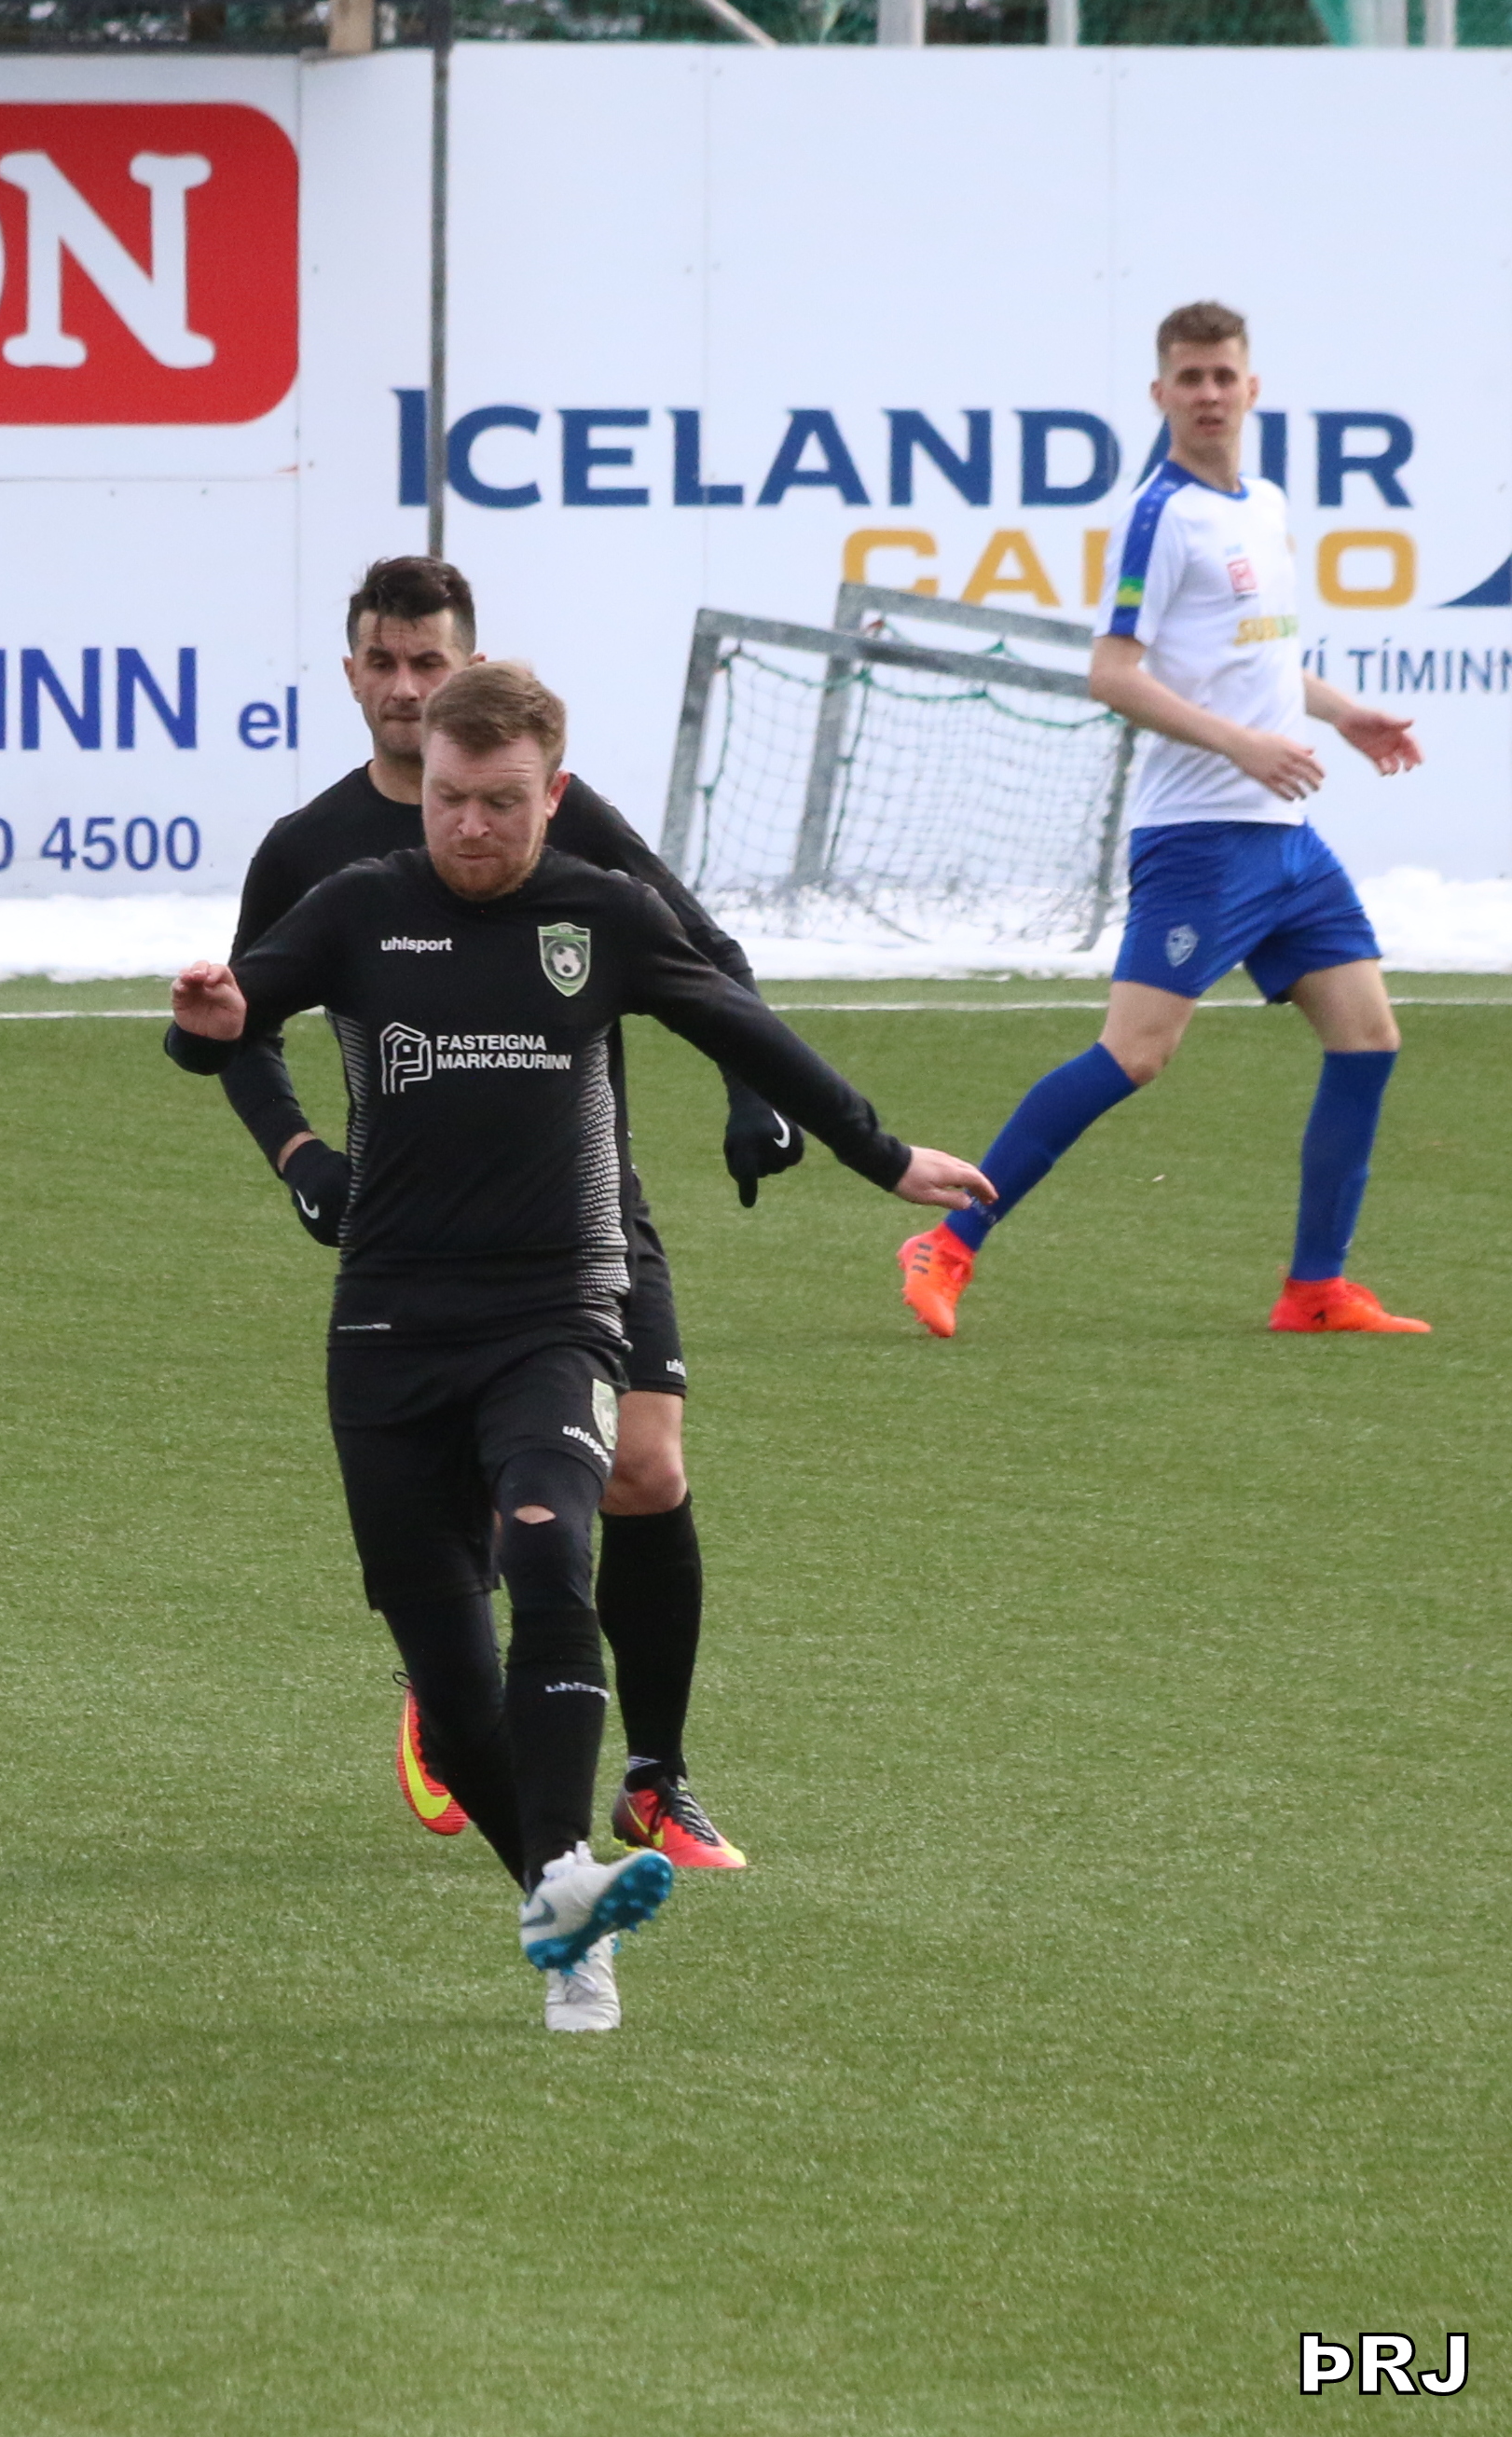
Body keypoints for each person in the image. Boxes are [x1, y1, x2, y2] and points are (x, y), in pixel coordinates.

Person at [168, 663, 992, 2032]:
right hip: (385, 1327)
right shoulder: (360, 905)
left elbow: (737, 1018)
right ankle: (553, 1895)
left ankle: (583, 1867)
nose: (469, 825)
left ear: (552, 794)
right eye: (449, 797)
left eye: (501, 801)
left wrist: (879, 1151)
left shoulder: (600, 916)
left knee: (553, 1547)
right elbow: (227, 1020)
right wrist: (204, 1024)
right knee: (451, 1689)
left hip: (553, 1311)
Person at [223, 556, 792, 1874]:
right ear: (350, 673)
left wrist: (749, 1090)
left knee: (647, 1469)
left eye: (428, 661)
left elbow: (707, 957)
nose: (405, 685)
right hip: (420, 1239)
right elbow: (238, 1023)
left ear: (469, 668)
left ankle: (654, 1778)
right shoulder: (310, 849)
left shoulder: (558, 815)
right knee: (484, 1484)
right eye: (383, 662)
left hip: (587, 1217)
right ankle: (456, 1675)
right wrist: (298, 1151)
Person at [899, 300, 1428, 1340]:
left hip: (1284, 838)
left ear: (1251, 386)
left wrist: (1342, 713)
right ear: (1159, 394)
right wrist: (1240, 746)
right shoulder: (1159, 516)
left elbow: (1256, 661)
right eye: (1189, 378)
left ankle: (1314, 1289)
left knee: (1367, 1037)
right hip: (1198, 836)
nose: (1208, 394)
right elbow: (1112, 674)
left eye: (1223, 375)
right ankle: (948, 1241)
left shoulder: (1263, 503)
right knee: (1134, 1054)